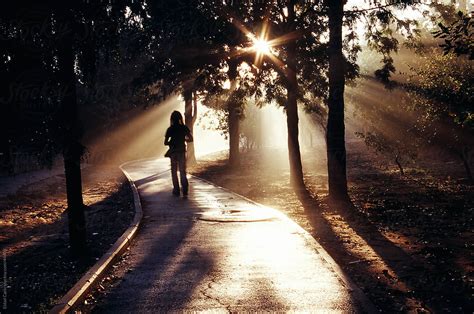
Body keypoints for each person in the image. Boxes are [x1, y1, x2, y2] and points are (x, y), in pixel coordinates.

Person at [164, 111, 193, 197]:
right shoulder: (184, 128)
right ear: (180, 118)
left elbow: (165, 143)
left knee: (174, 171)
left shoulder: (170, 129)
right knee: (182, 171)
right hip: (182, 151)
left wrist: (172, 143)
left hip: (173, 152)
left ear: (172, 119)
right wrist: (184, 140)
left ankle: (176, 190)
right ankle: (184, 189)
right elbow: (191, 139)